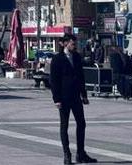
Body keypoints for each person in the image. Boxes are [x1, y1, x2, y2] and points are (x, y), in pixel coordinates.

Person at [49, 34, 97, 164]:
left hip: (76, 96)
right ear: (65, 44)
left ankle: (81, 153)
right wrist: (56, 99)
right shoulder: (57, 59)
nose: (74, 46)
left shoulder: (76, 57)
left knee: (81, 123)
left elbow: (81, 77)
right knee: (64, 126)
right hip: (63, 98)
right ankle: (67, 154)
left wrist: (84, 95)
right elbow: (54, 80)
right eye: (72, 44)